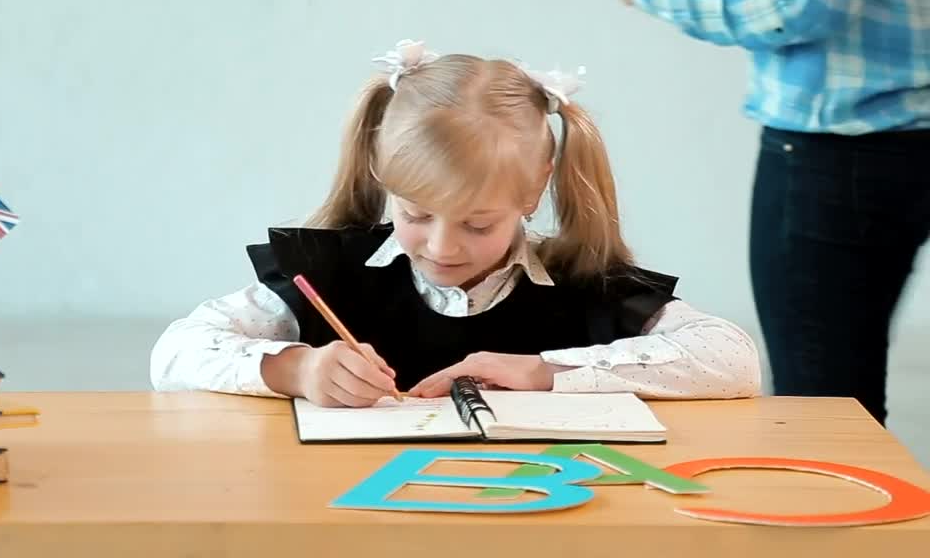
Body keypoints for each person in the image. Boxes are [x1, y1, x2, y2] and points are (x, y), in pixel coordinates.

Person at [149, 40, 761, 407]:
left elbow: (733, 359)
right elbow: (173, 353)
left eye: (477, 223)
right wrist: (298, 368)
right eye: (416, 214)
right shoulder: (332, 273)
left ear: (534, 188)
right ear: (383, 178)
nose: (441, 246)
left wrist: (544, 371)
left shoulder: (585, 284)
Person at [576, 0, 930, 425]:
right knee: (841, 408)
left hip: (841, 141)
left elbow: (803, 4)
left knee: (827, 414)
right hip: (886, 132)